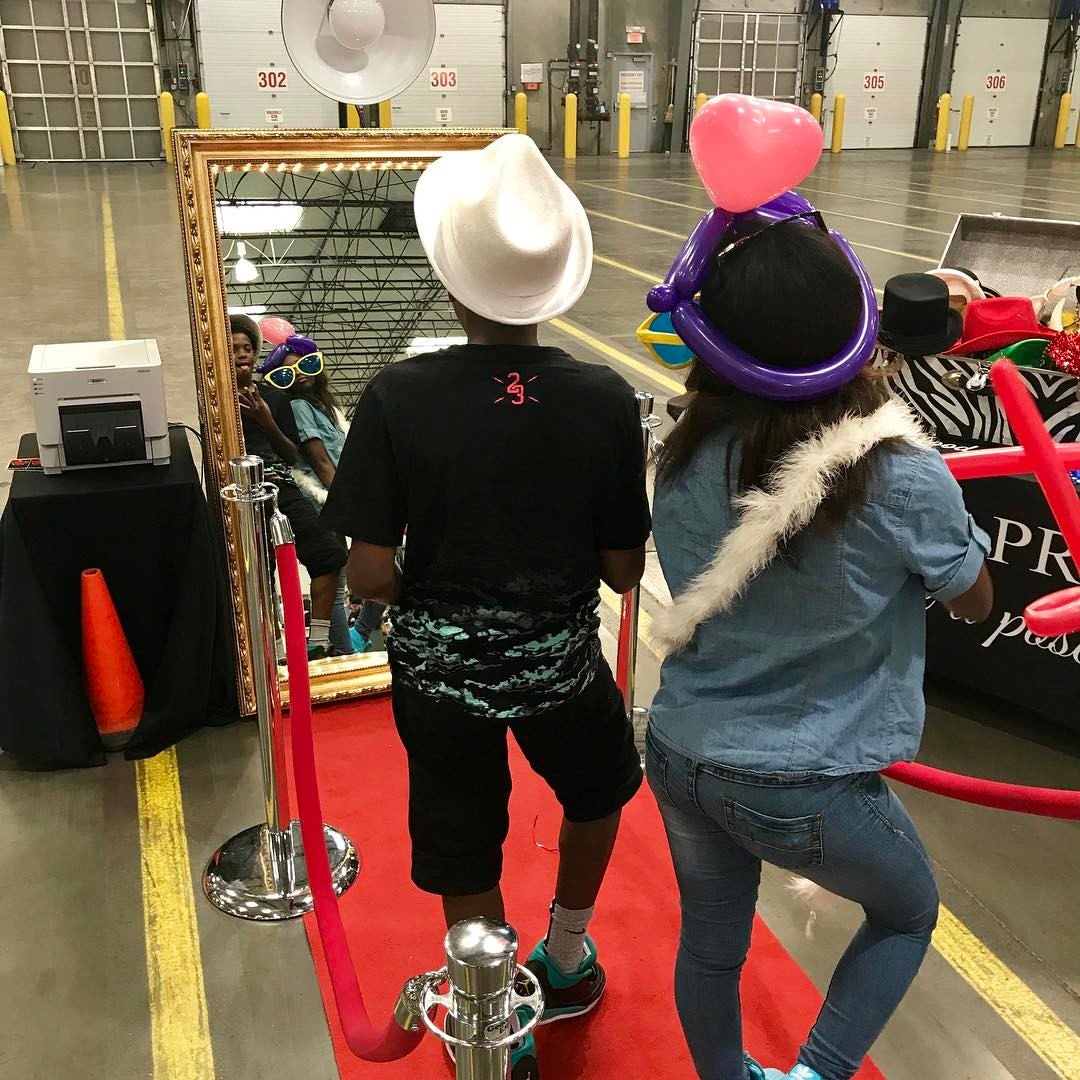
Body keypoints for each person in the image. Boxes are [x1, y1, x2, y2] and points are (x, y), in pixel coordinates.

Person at [321, 133, 651, 1079]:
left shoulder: (397, 396)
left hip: (439, 681)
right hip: (563, 671)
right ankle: (570, 954)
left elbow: (370, 575)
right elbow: (622, 570)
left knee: (464, 838)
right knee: (598, 790)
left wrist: (437, 598)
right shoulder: (604, 399)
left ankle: (493, 1016)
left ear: (452, 279)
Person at [645, 219, 994, 1080]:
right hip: (800, 778)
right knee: (907, 911)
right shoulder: (898, 473)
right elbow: (974, 600)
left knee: (711, 945)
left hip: (681, 747)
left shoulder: (684, 450)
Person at [230, 315, 348, 660]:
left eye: (248, 348)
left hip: (282, 485)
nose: (242, 354)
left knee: (329, 555)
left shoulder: (275, 397)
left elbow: (293, 453)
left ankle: (319, 640)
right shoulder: (216, 399)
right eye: (234, 348)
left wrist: (266, 421)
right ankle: (273, 649)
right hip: (240, 494)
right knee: (259, 573)